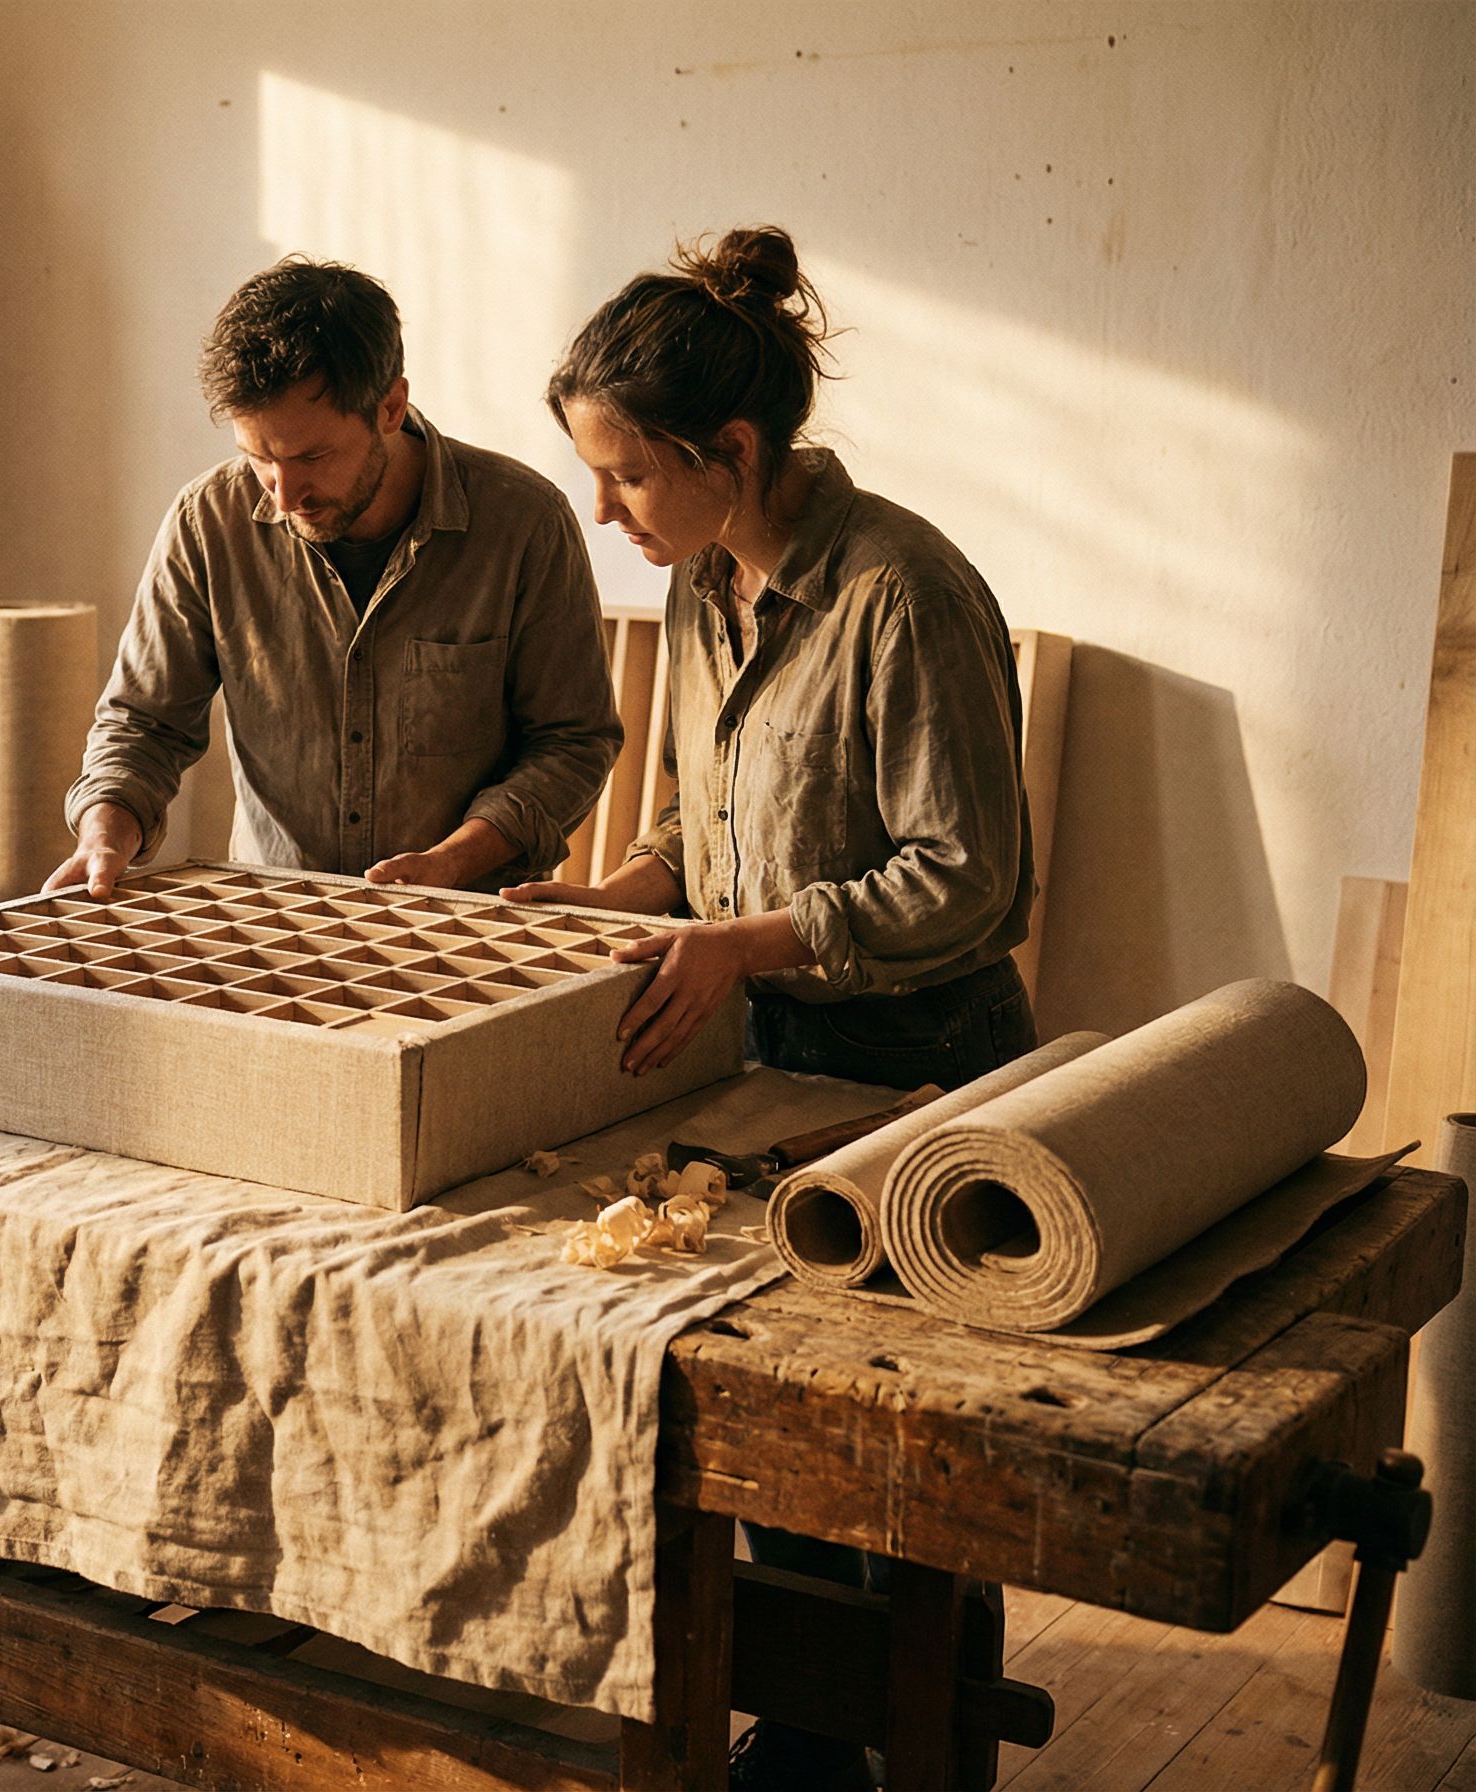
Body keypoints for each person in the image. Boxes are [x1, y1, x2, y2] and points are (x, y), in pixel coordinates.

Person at [505, 227, 1036, 1791]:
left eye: (625, 478)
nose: (604, 513)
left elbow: (973, 884)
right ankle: (808, 1740)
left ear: (729, 450)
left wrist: (744, 942)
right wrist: (617, 898)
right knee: (779, 1444)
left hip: (919, 1076)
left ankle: (924, 1747)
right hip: (777, 1066)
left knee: (913, 1476)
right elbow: (698, 827)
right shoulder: (706, 585)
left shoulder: (905, 595)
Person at [49, 257, 622, 898]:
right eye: (258, 458)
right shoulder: (208, 522)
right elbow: (143, 724)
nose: (285, 493)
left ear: (390, 407)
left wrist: (455, 861)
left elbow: (573, 741)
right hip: (278, 917)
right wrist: (105, 831)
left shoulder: (522, 522)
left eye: (311, 456)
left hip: (467, 921)